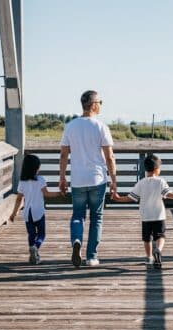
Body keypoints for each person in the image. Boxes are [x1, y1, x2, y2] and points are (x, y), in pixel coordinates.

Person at [59, 90, 117, 268]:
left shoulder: (70, 126)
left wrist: (62, 177)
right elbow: (109, 157)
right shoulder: (100, 127)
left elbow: (63, 155)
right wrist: (113, 180)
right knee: (96, 218)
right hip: (97, 180)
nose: (100, 104)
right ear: (93, 104)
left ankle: (77, 240)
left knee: (78, 215)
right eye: (100, 101)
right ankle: (91, 256)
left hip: (77, 179)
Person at [112, 155, 173, 269]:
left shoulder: (141, 183)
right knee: (160, 236)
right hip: (159, 215)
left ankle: (149, 257)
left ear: (146, 169)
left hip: (146, 216)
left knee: (147, 239)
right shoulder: (161, 181)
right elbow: (169, 194)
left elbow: (131, 197)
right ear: (157, 169)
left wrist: (118, 198)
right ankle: (158, 250)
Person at [9, 154, 63, 264]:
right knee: (41, 234)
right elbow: (47, 194)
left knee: (31, 234)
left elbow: (19, 199)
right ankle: (36, 247)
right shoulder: (41, 180)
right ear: (36, 168)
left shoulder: (22, 182)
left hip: (27, 213)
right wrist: (59, 193)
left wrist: (14, 213)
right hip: (38, 212)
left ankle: (32, 251)